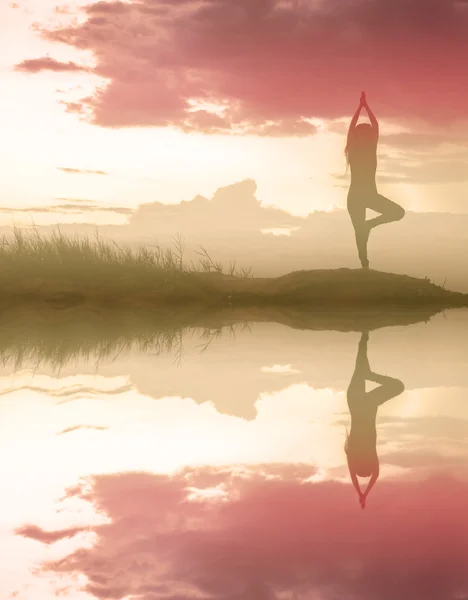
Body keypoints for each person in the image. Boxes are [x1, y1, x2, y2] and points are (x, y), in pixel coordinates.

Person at [345, 331, 405, 509]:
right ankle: (363, 341)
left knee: (398, 386)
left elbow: (375, 475)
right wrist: (360, 494)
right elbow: (354, 476)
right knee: (359, 369)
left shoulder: (370, 455)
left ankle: (367, 366)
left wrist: (364, 494)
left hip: (366, 404)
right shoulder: (352, 454)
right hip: (356, 402)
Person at [346, 92, 405, 268]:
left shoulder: (355, 149)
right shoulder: (367, 148)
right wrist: (365, 106)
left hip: (359, 196)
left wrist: (360, 107)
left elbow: (353, 128)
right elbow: (376, 125)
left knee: (361, 230)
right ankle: (365, 264)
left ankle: (365, 258)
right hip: (365, 196)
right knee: (364, 230)